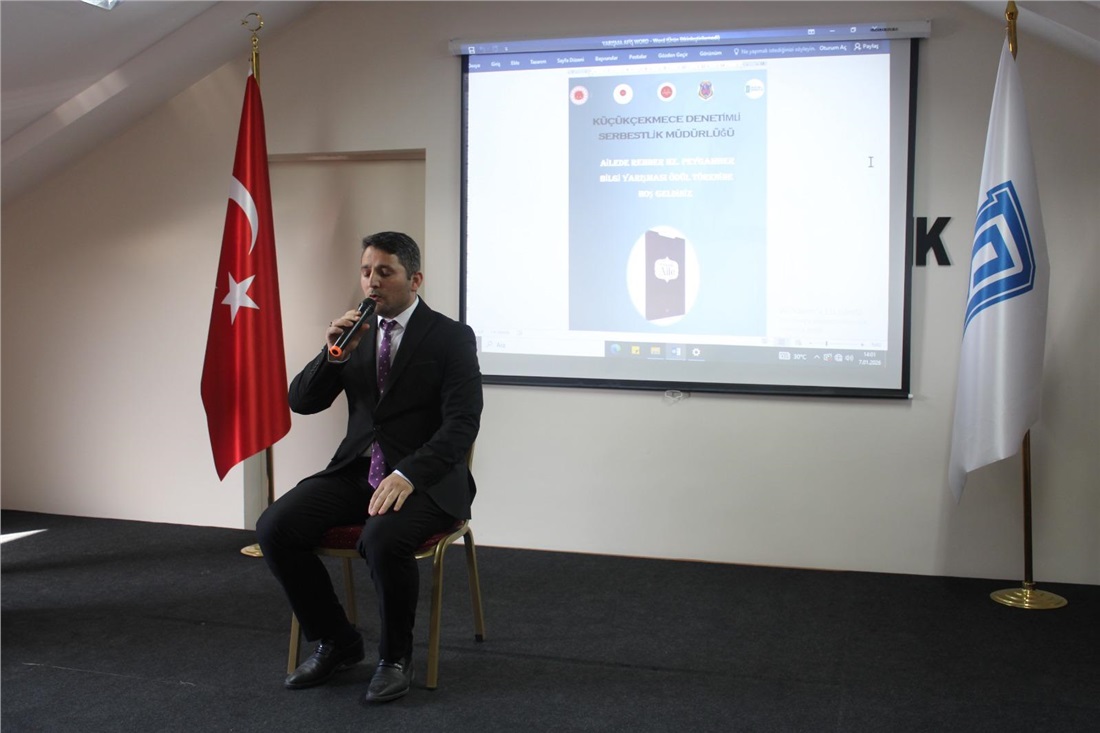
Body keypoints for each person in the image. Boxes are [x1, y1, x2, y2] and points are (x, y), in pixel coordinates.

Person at [257, 231, 482, 704]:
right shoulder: (355, 333)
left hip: (426, 480)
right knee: (276, 526)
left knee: (381, 538)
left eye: (384, 271)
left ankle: (395, 658)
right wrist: (332, 354)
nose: (371, 281)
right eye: (365, 271)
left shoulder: (450, 337)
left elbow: (462, 424)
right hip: (358, 469)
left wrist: (408, 474)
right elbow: (302, 401)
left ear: (414, 279)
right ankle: (337, 640)